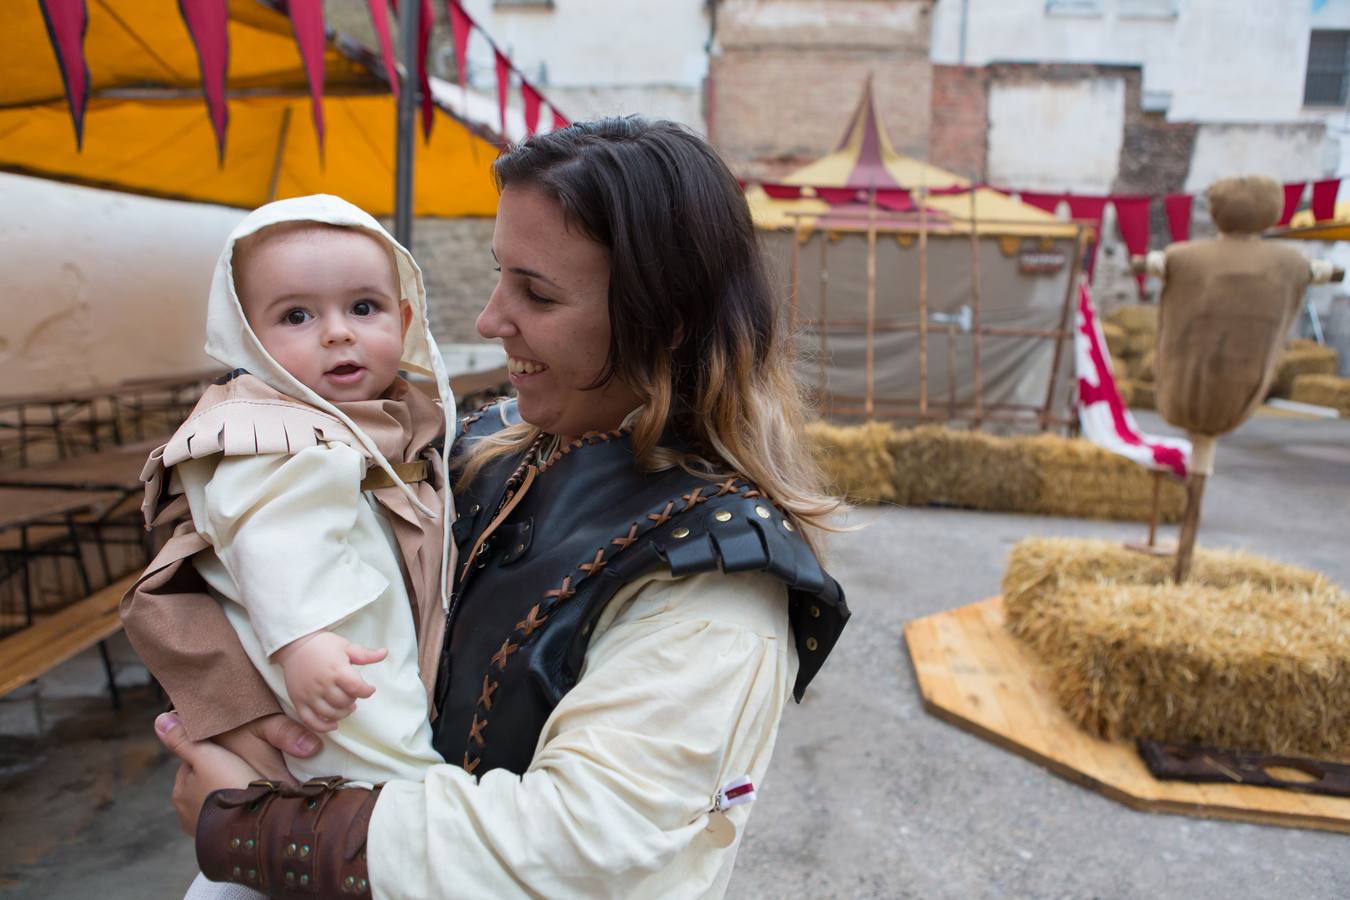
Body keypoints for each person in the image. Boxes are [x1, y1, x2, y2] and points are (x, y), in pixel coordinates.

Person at [140, 118, 850, 899]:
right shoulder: (480, 444)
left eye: (536, 293)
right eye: (499, 275)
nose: (487, 320)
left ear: (664, 323)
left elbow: (579, 847)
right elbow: (218, 539)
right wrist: (231, 696)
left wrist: (256, 829)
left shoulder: (714, 582)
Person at [120, 195, 456, 897]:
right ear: (248, 337)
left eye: (362, 308)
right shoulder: (273, 435)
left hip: (340, 664)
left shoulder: (377, 426)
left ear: (403, 320)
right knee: (361, 766)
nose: (336, 334)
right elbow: (273, 538)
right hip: (320, 669)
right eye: (296, 316)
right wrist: (301, 640)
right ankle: (407, 799)